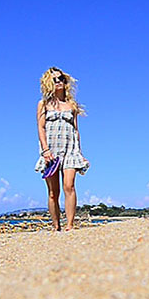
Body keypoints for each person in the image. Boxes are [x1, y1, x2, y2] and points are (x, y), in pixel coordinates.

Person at [35, 67, 90, 231]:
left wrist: (80, 152)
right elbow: (40, 128)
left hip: (70, 150)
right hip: (50, 151)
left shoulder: (71, 105)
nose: (59, 82)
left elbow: (75, 130)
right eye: (55, 80)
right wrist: (45, 150)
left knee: (69, 186)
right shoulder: (43, 104)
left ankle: (70, 225)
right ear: (48, 83)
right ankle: (56, 226)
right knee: (53, 192)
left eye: (61, 79)